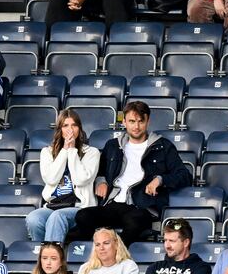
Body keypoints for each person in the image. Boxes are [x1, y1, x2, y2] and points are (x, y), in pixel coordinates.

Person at [68, 101, 191, 243]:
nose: (136, 126)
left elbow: (184, 175)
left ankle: (115, 255)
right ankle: (97, 252)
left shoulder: (163, 146)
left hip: (142, 205)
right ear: (124, 122)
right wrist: (101, 181)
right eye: (132, 121)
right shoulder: (113, 145)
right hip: (113, 203)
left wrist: (160, 180)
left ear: (148, 121)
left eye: (140, 121)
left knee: (133, 222)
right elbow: (100, 170)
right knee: (83, 216)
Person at [28, 110, 99, 243]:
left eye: (74, 125)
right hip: (53, 205)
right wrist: (64, 151)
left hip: (79, 207)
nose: (70, 130)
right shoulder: (47, 152)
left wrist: (72, 151)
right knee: (33, 218)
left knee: (57, 217)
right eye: (65, 126)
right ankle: (43, 257)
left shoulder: (92, 152)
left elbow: (81, 180)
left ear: (79, 128)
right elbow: (51, 179)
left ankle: (52, 258)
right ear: (59, 129)